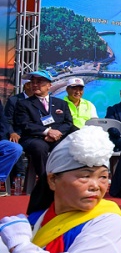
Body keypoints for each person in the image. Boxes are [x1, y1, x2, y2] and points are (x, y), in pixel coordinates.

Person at [14, 70, 77, 212]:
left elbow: (68, 122)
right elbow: (25, 124)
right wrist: (47, 132)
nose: (35, 85)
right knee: (39, 147)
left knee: (69, 146)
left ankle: (68, 181)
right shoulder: (23, 104)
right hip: (33, 138)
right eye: (33, 82)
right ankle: (46, 183)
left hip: (57, 137)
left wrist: (58, 132)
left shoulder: (60, 103)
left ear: (49, 85)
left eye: (39, 82)